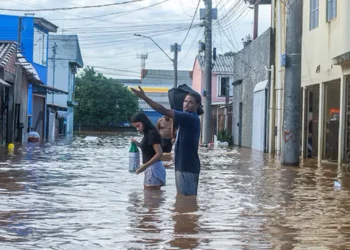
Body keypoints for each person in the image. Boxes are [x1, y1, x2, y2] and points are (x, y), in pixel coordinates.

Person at [131, 86, 203, 196]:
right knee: (184, 201)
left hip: (187, 167)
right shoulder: (187, 119)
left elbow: (162, 110)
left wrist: (144, 97)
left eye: (190, 102)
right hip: (183, 165)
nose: (186, 104)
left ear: (197, 105)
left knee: (186, 198)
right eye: (185, 101)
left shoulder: (190, 117)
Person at [131, 112, 166, 190]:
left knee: (151, 198)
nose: (137, 129)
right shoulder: (148, 134)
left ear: (144, 122)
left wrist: (144, 166)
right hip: (151, 168)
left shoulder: (151, 134)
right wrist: (137, 144)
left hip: (153, 169)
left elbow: (159, 153)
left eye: (138, 126)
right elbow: (148, 150)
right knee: (151, 197)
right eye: (136, 127)